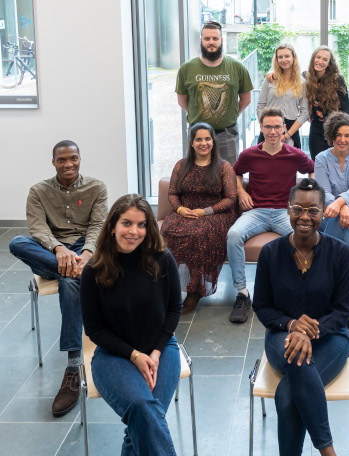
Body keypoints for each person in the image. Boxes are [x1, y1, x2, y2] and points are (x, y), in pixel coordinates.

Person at [253, 178, 349, 456]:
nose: (305, 217)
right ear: (288, 210)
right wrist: (291, 325)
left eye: (313, 211)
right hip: (280, 335)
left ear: (324, 212)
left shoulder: (341, 254)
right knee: (297, 357)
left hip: (331, 336)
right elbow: (261, 306)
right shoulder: (270, 253)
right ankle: (328, 451)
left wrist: (308, 330)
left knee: (288, 395)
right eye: (298, 209)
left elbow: (342, 311)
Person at [8, 140, 108, 417]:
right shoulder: (39, 191)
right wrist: (57, 248)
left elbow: (99, 225)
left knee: (70, 282)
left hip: (81, 251)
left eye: (73, 158)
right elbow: (37, 227)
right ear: (53, 162)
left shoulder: (97, 187)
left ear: (80, 159)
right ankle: (79, 273)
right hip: (51, 252)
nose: (68, 164)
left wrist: (87, 253)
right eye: (62, 160)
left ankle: (73, 366)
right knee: (17, 242)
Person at [80, 194, 182, 455]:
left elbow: (174, 308)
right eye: (127, 223)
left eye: (141, 224)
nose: (134, 231)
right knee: (143, 410)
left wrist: (156, 352)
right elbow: (94, 329)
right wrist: (135, 355)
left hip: (161, 348)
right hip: (113, 354)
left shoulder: (162, 259)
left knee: (143, 420)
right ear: (113, 225)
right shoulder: (94, 270)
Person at [227, 106, 314, 323]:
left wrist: (308, 191)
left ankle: (299, 292)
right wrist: (241, 192)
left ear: (284, 128)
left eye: (277, 127)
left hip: (284, 213)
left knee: (306, 239)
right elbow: (236, 172)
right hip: (256, 212)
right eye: (268, 127)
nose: (273, 131)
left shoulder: (294, 155)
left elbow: (312, 168)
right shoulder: (250, 154)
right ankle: (242, 293)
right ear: (261, 127)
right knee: (233, 235)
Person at [160, 122, 238, 315]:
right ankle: (166, 287)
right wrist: (179, 209)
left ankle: (194, 290)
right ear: (192, 143)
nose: (204, 143)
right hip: (186, 211)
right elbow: (172, 193)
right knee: (166, 231)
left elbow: (231, 198)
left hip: (216, 214)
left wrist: (206, 211)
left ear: (213, 141)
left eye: (207, 139)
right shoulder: (181, 164)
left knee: (198, 233)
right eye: (199, 139)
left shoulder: (223, 166)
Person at [176, 20, 253, 164]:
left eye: (215, 38)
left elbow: (246, 98)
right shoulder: (186, 68)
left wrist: (230, 115)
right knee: (197, 176)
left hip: (227, 134)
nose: (211, 42)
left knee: (228, 177)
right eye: (207, 39)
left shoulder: (237, 67)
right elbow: (182, 100)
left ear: (221, 40)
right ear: (201, 40)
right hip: (197, 135)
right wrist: (198, 113)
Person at [314, 111, 349, 250]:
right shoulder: (321, 158)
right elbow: (324, 191)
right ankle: (346, 270)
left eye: (347, 136)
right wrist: (342, 206)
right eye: (338, 135)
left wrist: (339, 203)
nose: (342, 139)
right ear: (331, 135)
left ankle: (323, 264)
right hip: (330, 209)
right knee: (341, 227)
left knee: (335, 220)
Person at [256, 43, 308, 149]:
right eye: (280, 57)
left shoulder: (302, 83)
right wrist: (266, 127)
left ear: (293, 58)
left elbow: (305, 112)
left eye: (287, 56)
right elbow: (261, 105)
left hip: (291, 133)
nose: (283, 60)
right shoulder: (269, 79)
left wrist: (287, 135)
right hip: (268, 131)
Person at [305, 46, 349, 159]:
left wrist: (345, 132)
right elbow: (288, 75)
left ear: (329, 64)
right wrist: (272, 73)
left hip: (335, 128)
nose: (320, 61)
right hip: (316, 129)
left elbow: (346, 110)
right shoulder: (306, 77)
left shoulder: (337, 79)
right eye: (318, 57)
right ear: (313, 59)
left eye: (325, 60)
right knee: (318, 164)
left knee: (336, 165)